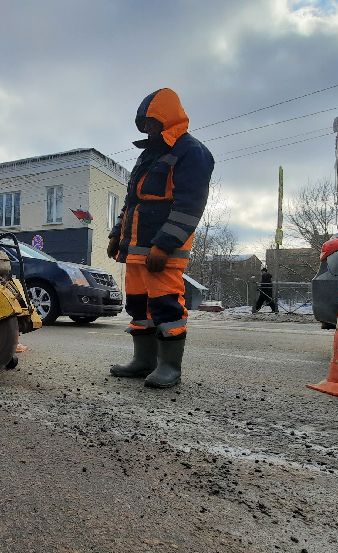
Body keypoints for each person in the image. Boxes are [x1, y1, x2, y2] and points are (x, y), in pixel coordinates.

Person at [107, 88, 214, 388]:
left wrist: (165, 244)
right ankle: (144, 361)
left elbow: (189, 205)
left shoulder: (191, 151)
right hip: (136, 252)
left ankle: (169, 367)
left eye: (151, 123)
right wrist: (117, 236)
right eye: (143, 126)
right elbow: (131, 203)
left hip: (161, 252)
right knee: (139, 308)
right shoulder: (148, 155)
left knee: (166, 305)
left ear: (166, 119)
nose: (147, 130)